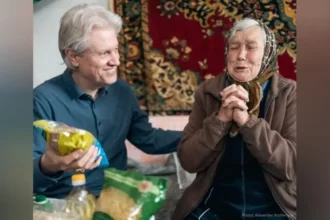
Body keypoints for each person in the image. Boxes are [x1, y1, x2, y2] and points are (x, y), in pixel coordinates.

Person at [33, 3, 182, 199]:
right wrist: (49, 164)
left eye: (116, 50)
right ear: (74, 56)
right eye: (104, 53)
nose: (116, 61)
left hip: (116, 201)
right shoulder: (41, 100)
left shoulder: (122, 91)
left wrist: (201, 133)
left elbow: (148, 139)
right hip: (63, 206)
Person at [172, 18, 296, 220]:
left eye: (251, 47)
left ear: (267, 53)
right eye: (234, 47)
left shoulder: (290, 94)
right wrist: (220, 119)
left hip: (274, 208)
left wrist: (247, 122)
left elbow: (293, 167)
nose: (240, 56)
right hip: (216, 207)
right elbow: (188, 160)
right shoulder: (208, 91)